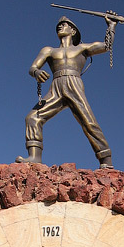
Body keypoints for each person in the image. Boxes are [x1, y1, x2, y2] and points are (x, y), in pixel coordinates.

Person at [15, 15, 117, 169]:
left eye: (64, 24)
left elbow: (106, 46)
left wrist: (111, 26)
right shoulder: (48, 50)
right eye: (58, 25)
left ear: (73, 30)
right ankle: (35, 157)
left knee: (88, 121)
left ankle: (106, 159)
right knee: (33, 117)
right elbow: (33, 68)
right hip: (56, 85)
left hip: (73, 82)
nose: (60, 26)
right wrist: (36, 73)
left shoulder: (82, 48)